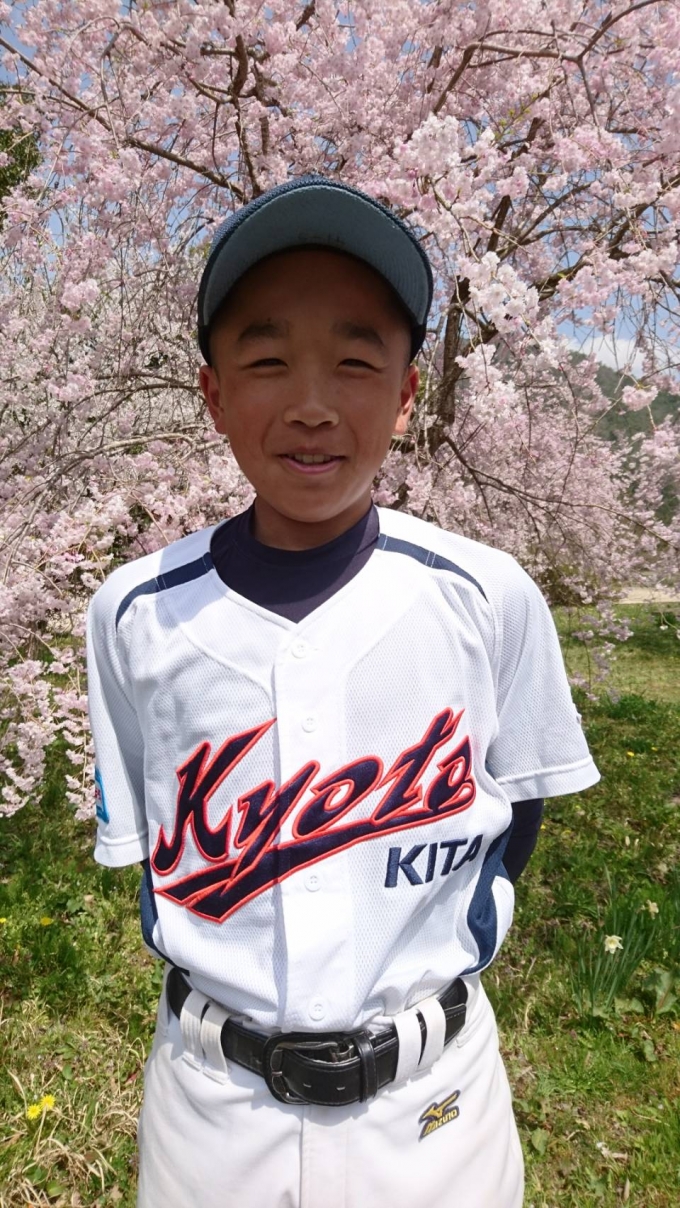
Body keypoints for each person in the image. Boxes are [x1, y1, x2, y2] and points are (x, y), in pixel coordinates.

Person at [86, 176, 600, 1208]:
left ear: (407, 395)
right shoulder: (134, 612)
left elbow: (514, 821)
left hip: (436, 1108)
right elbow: (151, 850)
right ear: (212, 394)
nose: (313, 404)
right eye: (268, 359)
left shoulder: (487, 595)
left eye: (357, 362)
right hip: (210, 1108)